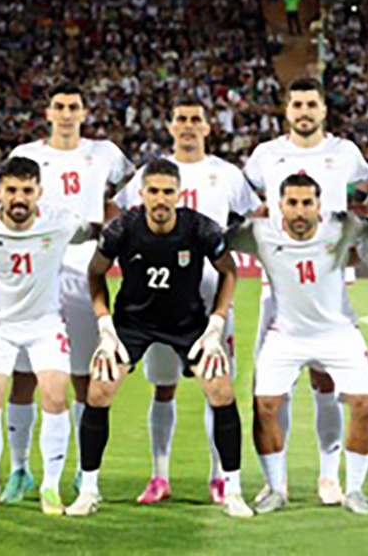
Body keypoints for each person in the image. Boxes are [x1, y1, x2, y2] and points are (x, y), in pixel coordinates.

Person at [66, 159, 253, 518]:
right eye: (154, 191)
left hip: (188, 323)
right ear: (142, 194)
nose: (161, 199)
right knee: (98, 391)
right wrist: (105, 325)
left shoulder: (199, 227)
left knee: (221, 391)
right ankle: (88, 490)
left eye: (168, 192)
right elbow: (95, 272)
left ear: (179, 194)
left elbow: (229, 271)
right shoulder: (123, 228)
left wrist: (216, 324)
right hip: (133, 323)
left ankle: (233, 490)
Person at [114, 98, 261, 505]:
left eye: (197, 119)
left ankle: (219, 477)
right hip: (159, 302)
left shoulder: (227, 174)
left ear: (208, 127)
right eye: (181, 119)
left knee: (218, 389)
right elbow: (120, 214)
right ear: (170, 125)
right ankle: (159, 476)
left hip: (212, 304)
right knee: (163, 388)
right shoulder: (149, 173)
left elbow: (253, 218)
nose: (189, 125)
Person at [243, 77, 368, 507]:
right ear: (286, 110)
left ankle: (328, 476)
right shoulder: (265, 155)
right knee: (271, 388)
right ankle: (275, 483)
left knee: (326, 381)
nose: (304, 111)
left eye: (311, 104)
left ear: (323, 110)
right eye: (296, 104)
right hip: (278, 281)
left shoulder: (345, 152)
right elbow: (246, 202)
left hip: (329, 277)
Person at [1, 82, 133, 502]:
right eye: (59, 106)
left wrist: (112, 226)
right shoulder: (27, 154)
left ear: (84, 112)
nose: (66, 113)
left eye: (73, 106)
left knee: (83, 376)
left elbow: (128, 191)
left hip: (83, 270)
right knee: (24, 376)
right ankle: (20, 470)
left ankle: (81, 469)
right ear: (48, 112)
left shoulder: (105, 153)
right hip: (35, 271)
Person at [228, 174, 368, 515]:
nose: (300, 211)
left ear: (318, 205)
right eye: (292, 203)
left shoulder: (341, 227)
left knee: (364, 404)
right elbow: (214, 238)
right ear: (279, 205)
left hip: (338, 333)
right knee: (265, 406)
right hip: (286, 335)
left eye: (307, 203)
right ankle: (275, 489)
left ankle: (355, 490)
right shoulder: (260, 233)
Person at [0, 157, 99, 516]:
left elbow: (96, 231)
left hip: (46, 325)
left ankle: (50, 488)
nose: (19, 198)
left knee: (55, 396)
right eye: (11, 190)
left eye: (27, 190)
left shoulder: (61, 223)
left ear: (39, 192)